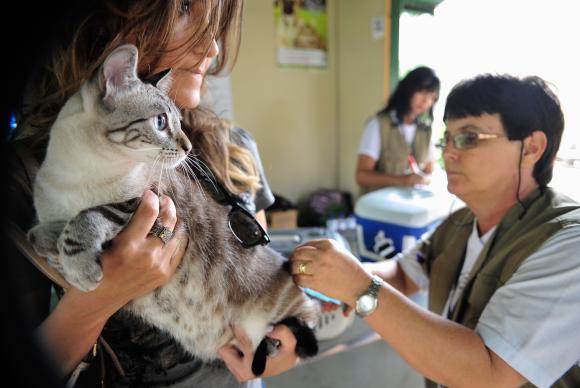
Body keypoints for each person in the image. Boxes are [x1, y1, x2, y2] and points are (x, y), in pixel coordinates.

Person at [3, 1, 300, 387]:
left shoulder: (234, 150)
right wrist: (99, 298)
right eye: (183, 8)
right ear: (109, 16)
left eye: (217, 22)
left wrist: (286, 343)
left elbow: (264, 282)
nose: (212, 46)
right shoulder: (24, 181)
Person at [290, 74, 580, 387]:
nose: (448, 153)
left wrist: (360, 288)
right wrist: (334, 276)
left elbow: (488, 373)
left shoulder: (566, 242)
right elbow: (403, 273)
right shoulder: (460, 223)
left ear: (531, 147)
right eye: (447, 138)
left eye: (468, 138)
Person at [356, 66, 440, 192]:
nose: (426, 101)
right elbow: (361, 176)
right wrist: (402, 180)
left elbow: (429, 170)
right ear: (408, 90)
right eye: (422, 92)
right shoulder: (379, 124)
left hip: (411, 206)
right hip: (379, 206)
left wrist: (423, 179)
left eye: (432, 97)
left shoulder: (426, 131)